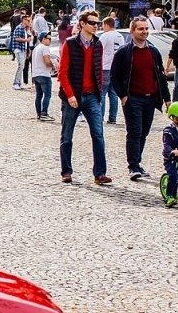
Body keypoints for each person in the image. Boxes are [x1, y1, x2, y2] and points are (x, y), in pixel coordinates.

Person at [110, 16, 170, 180]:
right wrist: (122, 94)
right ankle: (133, 166)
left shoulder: (153, 51)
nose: (144, 32)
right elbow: (114, 76)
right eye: (140, 29)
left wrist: (167, 98)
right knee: (134, 132)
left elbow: (160, 76)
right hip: (132, 98)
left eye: (146, 29)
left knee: (143, 133)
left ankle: (138, 162)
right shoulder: (124, 52)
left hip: (150, 99)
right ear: (132, 31)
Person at [57, 10, 110, 184]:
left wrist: (100, 92)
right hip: (72, 96)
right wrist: (70, 95)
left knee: (98, 134)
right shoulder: (70, 44)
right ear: (82, 24)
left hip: (92, 96)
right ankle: (66, 171)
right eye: (92, 23)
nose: (96, 26)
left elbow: (99, 70)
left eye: (97, 23)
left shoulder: (98, 44)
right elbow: (62, 72)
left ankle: (100, 173)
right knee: (67, 136)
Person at [98, 14, 124, 123]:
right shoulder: (120, 36)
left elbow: (99, 50)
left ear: (107, 25)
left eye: (103, 25)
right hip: (117, 68)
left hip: (105, 66)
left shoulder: (105, 36)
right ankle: (112, 117)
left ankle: (100, 116)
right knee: (113, 93)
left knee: (102, 93)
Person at [31, 31, 57, 120]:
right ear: (43, 39)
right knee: (47, 94)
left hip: (36, 74)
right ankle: (44, 113)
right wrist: (53, 66)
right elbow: (47, 61)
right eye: (49, 39)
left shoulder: (36, 48)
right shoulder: (45, 48)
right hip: (44, 74)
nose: (50, 41)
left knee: (39, 95)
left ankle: (39, 113)